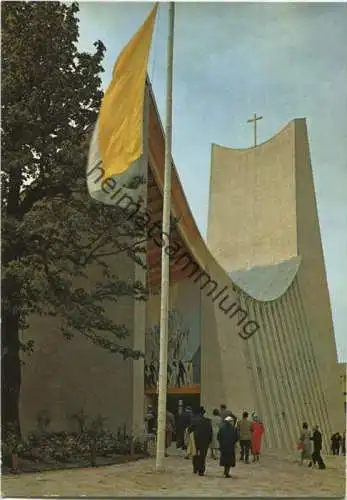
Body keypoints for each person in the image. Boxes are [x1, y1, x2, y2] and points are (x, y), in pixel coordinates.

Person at [188, 406, 213, 476]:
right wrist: (210, 440)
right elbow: (210, 431)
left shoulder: (193, 420)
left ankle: (195, 468)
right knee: (202, 456)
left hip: (196, 439)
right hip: (205, 441)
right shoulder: (208, 420)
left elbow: (189, 430)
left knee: (195, 454)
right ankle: (201, 470)